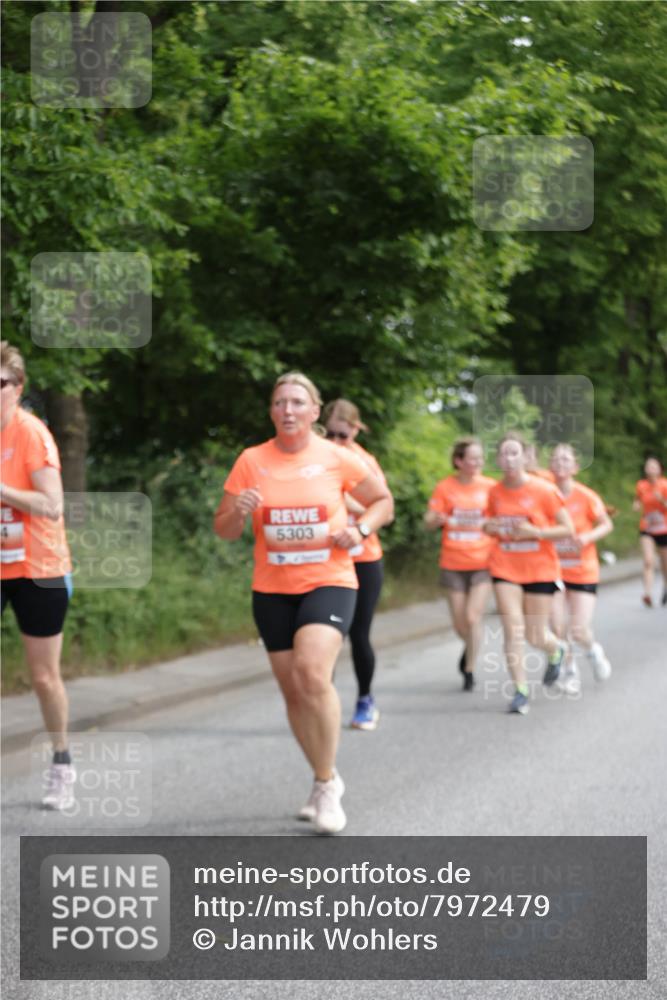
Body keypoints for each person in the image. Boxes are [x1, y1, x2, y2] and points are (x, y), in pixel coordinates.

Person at [214, 373, 393, 834]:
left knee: (312, 672)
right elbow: (225, 529)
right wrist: (238, 510)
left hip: (329, 580)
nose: (287, 410)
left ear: (315, 412)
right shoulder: (252, 461)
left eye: (297, 402)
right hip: (272, 587)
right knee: (293, 691)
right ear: (272, 412)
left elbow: (382, 502)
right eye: (279, 403)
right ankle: (323, 777)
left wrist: (361, 529)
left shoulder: (337, 457)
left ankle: (327, 787)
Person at [0, 341, 74, 809]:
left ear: (17, 386)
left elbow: (52, 505)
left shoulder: (31, 434)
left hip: (38, 567)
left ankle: (62, 765)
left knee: (44, 676)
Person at [484, 433, 574, 715]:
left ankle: (555, 650)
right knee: (513, 628)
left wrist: (536, 532)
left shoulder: (544, 490)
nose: (509, 459)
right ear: (498, 459)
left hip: (539, 568)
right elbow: (487, 524)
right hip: (505, 565)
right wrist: (492, 527)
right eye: (504, 454)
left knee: (536, 635)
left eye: (514, 453)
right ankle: (520, 690)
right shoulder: (494, 491)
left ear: (525, 457)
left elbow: (567, 529)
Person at [322, 399, 390, 730]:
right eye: (329, 434)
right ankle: (324, 703)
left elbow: (383, 509)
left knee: (358, 634)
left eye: (342, 435)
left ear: (355, 429)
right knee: (324, 635)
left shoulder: (364, 461)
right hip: (324, 558)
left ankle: (365, 700)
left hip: (363, 558)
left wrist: (345, 500)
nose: (335, 443)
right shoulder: (315, 457)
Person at [424, 437, 495, 691]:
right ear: (458, 461)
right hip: (453, 561)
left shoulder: (490, 487)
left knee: (473, 616)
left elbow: (502, 517)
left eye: (480, 458)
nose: (477, 463)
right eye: (472, 458)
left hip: (483, 562)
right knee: (459, 622)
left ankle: (470, 668)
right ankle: (470, 646)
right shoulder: (445, 488)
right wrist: (438, 519)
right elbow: (429, 520)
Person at [549, 443, 614, 694]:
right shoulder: (545, 495)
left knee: (578, 630)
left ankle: (593, 651)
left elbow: (606, 524)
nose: (560, 463)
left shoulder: (586, 496)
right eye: (556, 459)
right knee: (558, 627)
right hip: (553, 570)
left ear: (575, 467)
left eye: (566, 460)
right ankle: (570, 672)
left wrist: (587, 538)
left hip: (583, 570)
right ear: (550, 466)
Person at [633, 456, 667, 607]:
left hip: (664, 528)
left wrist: (662, 501)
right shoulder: (641, 485)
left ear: (660, 469)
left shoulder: (665, 485)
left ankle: (665, 587)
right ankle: (647, 593)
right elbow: (638, 499)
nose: (650, 468)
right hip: (647, 527)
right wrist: (636, 505)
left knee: (665, 562)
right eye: (648, 466)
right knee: (648, 560)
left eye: (654, 466)